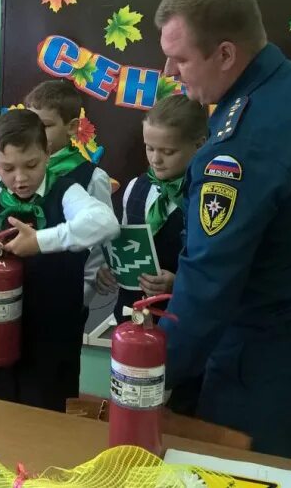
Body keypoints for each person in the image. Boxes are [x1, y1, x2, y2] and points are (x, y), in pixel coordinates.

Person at [153, 0, 291, 487]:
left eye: (181, 59)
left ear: (225, 54)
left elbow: (207, 284)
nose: (171, 72)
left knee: (257, 475)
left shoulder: (237, 148)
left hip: (267, 359)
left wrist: (150, 374)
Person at [0, 109, 119, 412]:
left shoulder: (66, 191)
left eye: (31, 165)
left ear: (46, 153)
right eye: (7, 168)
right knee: (1, 410)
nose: (19, 179)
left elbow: (105, 222)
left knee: (50, 411)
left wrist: (41, 241)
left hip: (54, 333)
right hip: (0, 333)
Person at [95, 94, 208, 415]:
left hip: (181, 322)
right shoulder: (134, 188)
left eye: (168, 151)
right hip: (134, 317)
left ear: (199, 144)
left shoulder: (205, 197)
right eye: (150, 148)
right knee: (133, 401)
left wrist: (177, 282)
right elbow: (127, 241)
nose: (156, 159)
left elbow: (215, 263)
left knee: (181, 411)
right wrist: (112, 266)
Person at [15, 81, 113, 326]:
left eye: (45, 126)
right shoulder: (14, 172)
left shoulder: (92, 177)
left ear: (71, 127)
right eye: (30, 124)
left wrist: (81, 295)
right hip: (16, 294)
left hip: (66, 299)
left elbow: (100, 247)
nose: (35, 134)